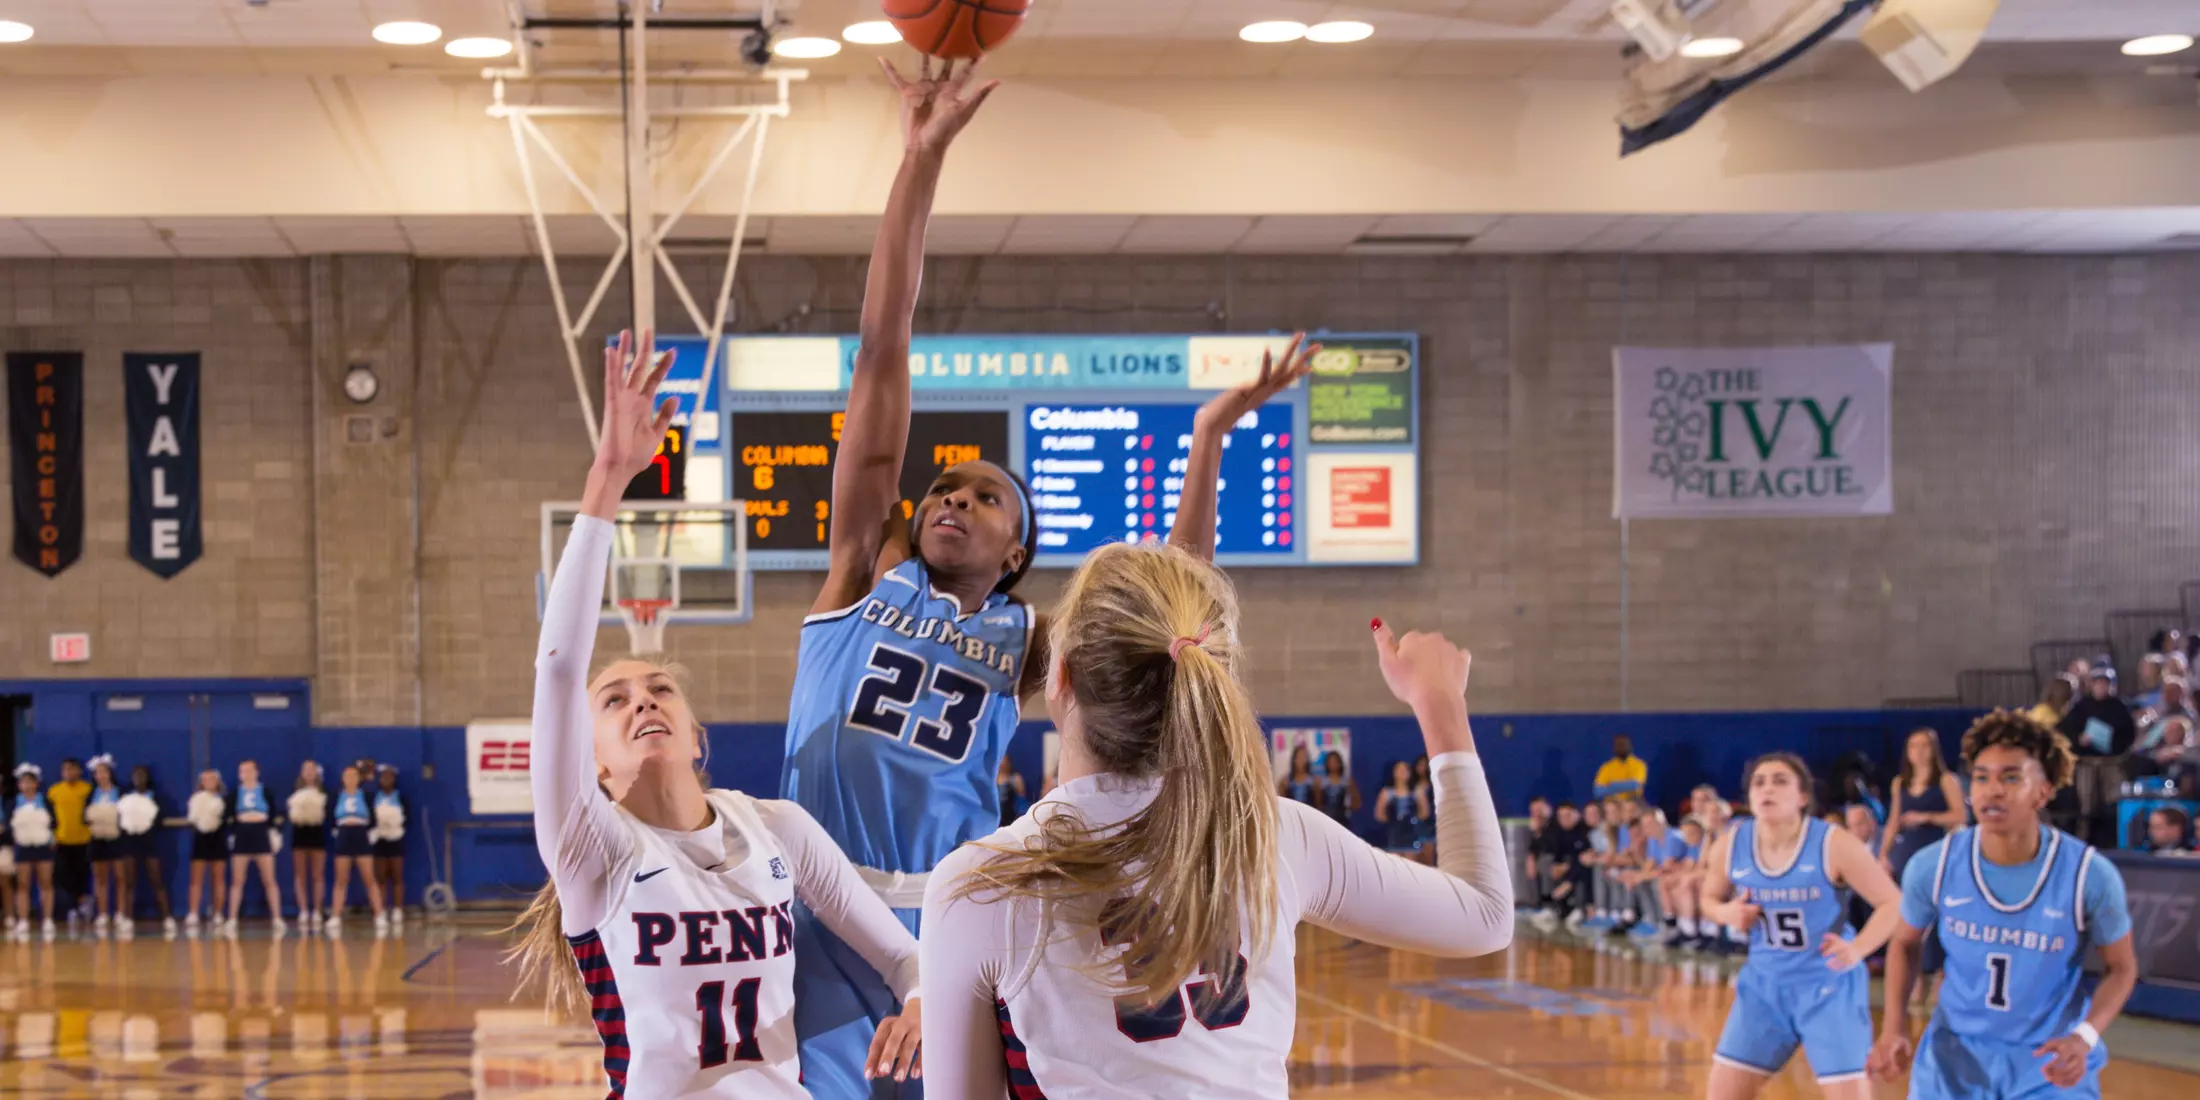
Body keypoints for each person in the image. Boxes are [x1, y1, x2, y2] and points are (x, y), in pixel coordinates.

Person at [916, 555, 1513, 1097]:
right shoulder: (1274, 835)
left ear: (1059, 679)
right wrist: (1440, 705)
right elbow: (1484, 916)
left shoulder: (981, 884)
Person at [511, 330, 923, 1097]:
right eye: (617, 700)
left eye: (660, 690)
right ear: (592, 757)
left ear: (697, 736)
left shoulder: (778, 829)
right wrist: (608, 478)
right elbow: (560, 671)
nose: (642, 701)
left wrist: (923, 1000)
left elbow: (906, 956)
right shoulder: (593, 852)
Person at [1870, 710, 2139, 1100]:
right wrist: (1894, 1026)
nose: (1992, 790)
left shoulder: (2089, 874)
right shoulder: (1934, 865)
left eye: (2011, 777)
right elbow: (1904, 944)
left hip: (2049, 1059)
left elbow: (2122, 967)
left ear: (2043, 791)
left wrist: (2085, 1035)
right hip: (1953, 1057)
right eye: (1981, 777)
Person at [1698, 754, 1906, 1099]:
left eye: (1780, 781)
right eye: (1759, 782)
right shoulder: (1730, 845)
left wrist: (1858, 949)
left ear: (1803, 797)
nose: (1768, 788)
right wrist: (1727, 914)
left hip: (1827, 987)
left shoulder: (1833, 843)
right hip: (1764, 988)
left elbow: (1894, 904)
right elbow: (1708, 899)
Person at [326, 764, 387, 932]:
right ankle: (336, 916)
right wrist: (336, 833)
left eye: (354, 776)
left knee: (369, 878)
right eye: (347, 776)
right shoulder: (336, 796)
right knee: (341, 879)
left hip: (361, 836)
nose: (350, 779)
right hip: (344, 836)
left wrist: (371, 834)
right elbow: (330, 818)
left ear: (359, 779)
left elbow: (373, 818)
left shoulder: (367, 796)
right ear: (342, 779)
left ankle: (379, 915)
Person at [226, 759, 284, 933]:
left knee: (269, 879)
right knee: (237, 880)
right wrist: (233, 833)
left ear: (256, 772)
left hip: (261, 833)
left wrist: (273, 834)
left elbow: (274, 815)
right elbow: (228, 816)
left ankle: (277, 917)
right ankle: (232, 919)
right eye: (242, 771)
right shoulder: (235, 793)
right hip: (243, 834)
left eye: (249, 770)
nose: (246, 774)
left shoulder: (266, 792)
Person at [116, 765, 175, 936]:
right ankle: (127, 918)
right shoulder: (125, 797)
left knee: (157, 880)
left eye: (142, 775)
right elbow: (119, 819)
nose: (138, 779)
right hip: (129, 843)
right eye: (135, 776)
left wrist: (146, 823)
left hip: (150, 842)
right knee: (129, 881)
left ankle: (167, 918)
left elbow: (160, 819)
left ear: (147, 778)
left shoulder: (155, 797)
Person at [10, 763, 58, 938]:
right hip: (22, 847)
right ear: (19, 785)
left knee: (46, 882)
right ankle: (23, 920)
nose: (27, 785)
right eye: (23, 782)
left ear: (36, 784)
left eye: (31, 782)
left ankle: (47, 919)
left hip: (43, 846)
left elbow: (54, 824)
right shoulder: (13, 803)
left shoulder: (45, 801)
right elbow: (9, 826)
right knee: (22, 884)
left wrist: (51, 839)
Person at [184, 768, 230, 932]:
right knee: (196, 878)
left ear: (218, 782)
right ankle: (193, 913)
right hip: (201, 840)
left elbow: (227, 821)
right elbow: (192, 820)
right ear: (201, 783)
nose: (209, 782)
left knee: (218, 878)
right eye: (206, 779)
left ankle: (218, 913)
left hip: (218, 840)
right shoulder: (195, 800)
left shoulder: (224, 800)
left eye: (213, 779)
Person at [84, 755, 126, 932]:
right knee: (100, 878)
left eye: (104, 771)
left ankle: (121, 913)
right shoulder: (91, 795)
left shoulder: (120, 792)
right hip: (97, 840)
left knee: (120, 877)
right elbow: (85, 818)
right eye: (97, 772)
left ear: (110, 773)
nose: (101, 775)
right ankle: (102, 913)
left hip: (117, 840)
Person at [49, 757, 93, 925]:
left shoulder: (87, 789)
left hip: (83, 839)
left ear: (79, 771)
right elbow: (50, 817)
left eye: (72, 769)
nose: (69, 772)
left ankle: (79, 905)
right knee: (62, 874)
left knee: (81, 875)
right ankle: (77, 903)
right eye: (65, 769)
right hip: (61, 840)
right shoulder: (54, 791)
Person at [2058, 668, 2135, 757]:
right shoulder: (2083, 705)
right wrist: (2078, 739)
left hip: (2111, 755)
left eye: (2106, 683)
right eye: (2099, 683)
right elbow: (2065, 727)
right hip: (2084, 752)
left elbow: (2128, 733)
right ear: (2092, 685)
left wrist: (2112, 742)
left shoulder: (2119, 707)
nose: (2102, 686)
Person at [289, 760, 329, 927]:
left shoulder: (323, 791)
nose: (309, 773)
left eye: (312, 770)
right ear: (302, 773)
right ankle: (303, 910)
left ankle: (316, 910)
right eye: (306, 770)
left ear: (316, 773)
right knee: (300, 875)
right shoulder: (296, 790)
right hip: (299, 834)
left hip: (317, 835)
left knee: (318, 874)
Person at [370, 765, 407, 926]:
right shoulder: (374, 797)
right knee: (381, 877)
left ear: (394, 780)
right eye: (383, 777)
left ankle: (398, 909)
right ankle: (382, 909)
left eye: (389, 777)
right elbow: (370, 818)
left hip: (396, 840)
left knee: (397, 876)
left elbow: (407, 817)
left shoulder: (400, 797)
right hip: (379, 840)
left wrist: (395, 824)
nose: (386, 780)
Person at [1375, 760, 1430, 859]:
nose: (1402, 772)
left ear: (1410, 773)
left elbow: (1425, 812)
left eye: (1405, 770)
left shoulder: (1417, 791)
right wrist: (1392, 822)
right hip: (1394, 835)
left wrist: (1413, 820)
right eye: (1399, 770)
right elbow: (1379, 813)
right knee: (1395, 865)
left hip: (1411, 833)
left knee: (1411, 865)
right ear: (1393, 773)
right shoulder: (1387, 792)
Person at [1316, 752, 1359, 831]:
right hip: (1325, 819)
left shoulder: (1346, 781)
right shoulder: (1321, 782)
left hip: (1341, 819)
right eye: (1331, 762)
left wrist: (1348, 808)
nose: (1333, 764)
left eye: (1335, 761)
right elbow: (1318, 803)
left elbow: (1357, 801)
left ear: (1340, 763)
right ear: (1327, 764)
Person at [995, 757, 1028, 829]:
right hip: (995, 817)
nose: (1002, 763)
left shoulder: (1015, 778)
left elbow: (1021, 799)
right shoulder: (991, 781)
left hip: (1011, 815)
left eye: (1004, 760)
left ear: (1009, 763)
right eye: (1000, 760)